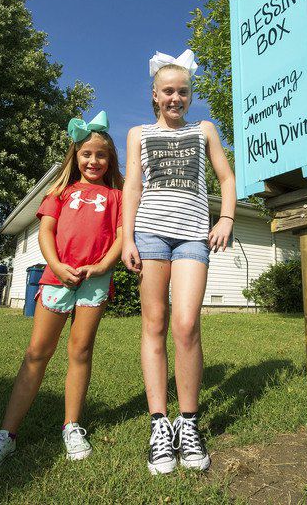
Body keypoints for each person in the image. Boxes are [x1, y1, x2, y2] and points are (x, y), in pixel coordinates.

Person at [0, 111, 124, 473]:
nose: (93, 161)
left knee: (81, 350)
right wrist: (55, 265)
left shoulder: (117, 197)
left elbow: (121, 237)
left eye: (101, 155)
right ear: (75, 157)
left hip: (95, 280)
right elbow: (45, 233)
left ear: (110, 160)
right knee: (37, 352)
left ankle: (71, 426)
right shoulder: (60, 192)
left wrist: (102, 266)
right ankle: (6, 435)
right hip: (57, 278)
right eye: (86, 154)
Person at [122, 49, 236, 475]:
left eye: (183, 92)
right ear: (154, 94)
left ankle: (188, 424)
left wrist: (225, 217)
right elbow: (133, 186)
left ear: (191, 96)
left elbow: (226, 177)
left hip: (192, 235)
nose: (175, 98)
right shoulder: (137, 133)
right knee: (153, 324)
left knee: (186, 324)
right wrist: (126, 237)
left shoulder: (205, 129)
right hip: (149, 234)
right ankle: (159, 424)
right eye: (168, 91)